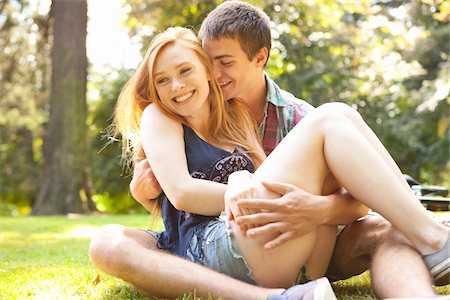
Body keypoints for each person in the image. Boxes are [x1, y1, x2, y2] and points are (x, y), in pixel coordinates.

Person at [89, 2, 449, 299]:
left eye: (223, 63)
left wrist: (315, 210)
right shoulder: (172, 117)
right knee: (334, 116)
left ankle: (425, 239)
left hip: (310, 242)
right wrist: (157, 194)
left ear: (259, 58)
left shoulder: (279, 118)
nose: (213, 74)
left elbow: (361, 199)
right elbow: (183, 193)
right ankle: (432, 235)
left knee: (341, 121)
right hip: (250, 241)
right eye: (163, 79)